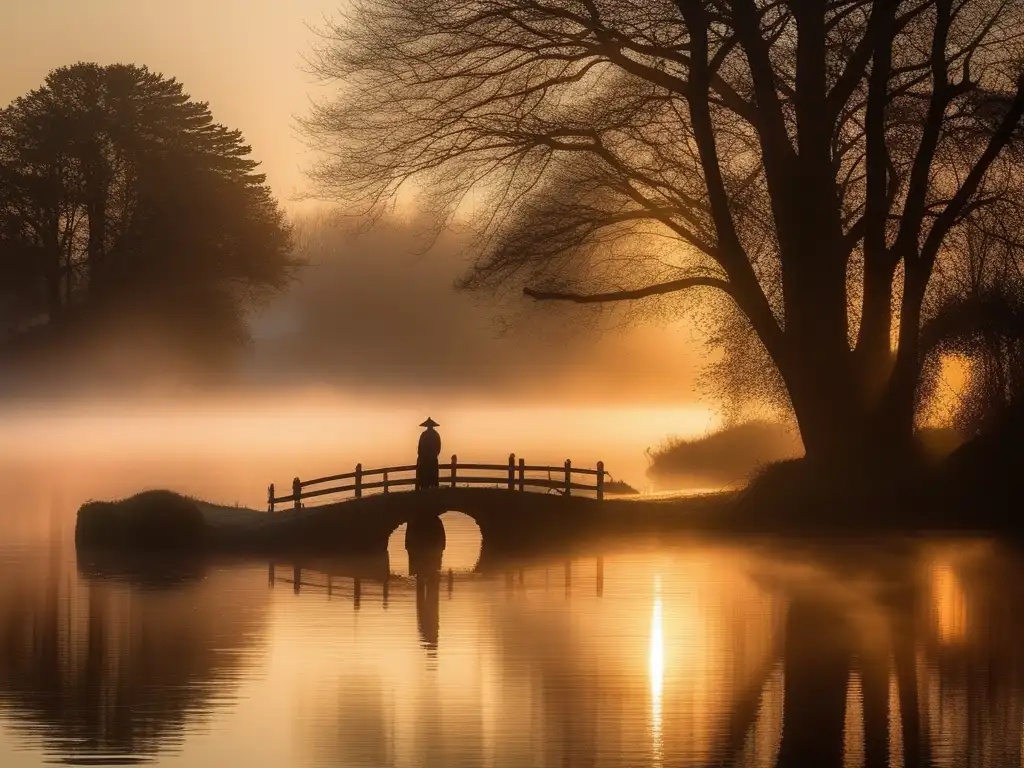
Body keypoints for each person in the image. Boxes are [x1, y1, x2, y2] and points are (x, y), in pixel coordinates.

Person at [415, 417, 442, 490]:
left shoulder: (424, 435)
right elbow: (439, 448)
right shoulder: (436, 434)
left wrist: (421, 456)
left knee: (424, 475)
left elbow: (419, 448)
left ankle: (424, 489)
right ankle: (433, 489)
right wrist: (435, 454)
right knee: (433, 475)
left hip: (425, 459)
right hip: (433, 458)